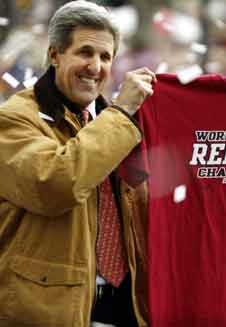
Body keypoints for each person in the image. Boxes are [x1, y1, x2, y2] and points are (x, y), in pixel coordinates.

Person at [0, 1, 154, 326]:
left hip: (122, 308)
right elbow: (57, 184)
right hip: (49, 311)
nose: (95, 67)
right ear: (55, 55)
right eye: (85, 52)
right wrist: (121, 113)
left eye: (105, 57)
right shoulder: (13, 119)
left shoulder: (117, 124)